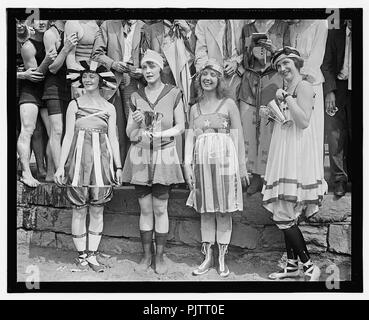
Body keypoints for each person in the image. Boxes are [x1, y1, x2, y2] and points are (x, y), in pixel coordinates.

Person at [261, 47, 324, 281]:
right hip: (284, 150)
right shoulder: (286, 89)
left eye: (286, 63)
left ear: (297, 63)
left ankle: (308, 266)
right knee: (286, 211)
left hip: (296, 154)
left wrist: (287, 98)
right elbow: (286, 120)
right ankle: (291, 266)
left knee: (284, 213)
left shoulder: (304, 87)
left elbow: (304, 121)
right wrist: (270, 112)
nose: (282, 68)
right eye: (278, 65)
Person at [54, 61, 122, 272]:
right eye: (85, 76)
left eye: (92, 75)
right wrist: (60, 166)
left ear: (101, 79)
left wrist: (118, 167)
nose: (88, 79)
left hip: (101, 162)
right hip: (78, 161)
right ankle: (82, 255)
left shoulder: (109, 107)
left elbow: (113, 138)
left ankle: (92, 253)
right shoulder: (74, 104)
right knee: (79, 208)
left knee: (98, 208)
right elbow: (67, 137)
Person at [122, 50, 185, 274]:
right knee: (145, 208)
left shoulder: (174, 93)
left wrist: (160, 134)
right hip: (140, 156)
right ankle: (146, 255)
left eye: (152, 66)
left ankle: (160, 256)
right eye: (145, 67)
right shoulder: (135, 97)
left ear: (160, 68)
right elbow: (130, 133)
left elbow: (181, 126)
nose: (148, 71)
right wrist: (137, 124)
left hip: (164, 154)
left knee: (161, 208)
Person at [184, 59, 248, 277]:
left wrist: (241, 167)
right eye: (204, 74)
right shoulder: (194, 109)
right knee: (205, 211)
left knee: (222, 211)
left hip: (225, 166)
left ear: (219, 79)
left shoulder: (228, 104)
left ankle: (222, 258)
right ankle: (207, 256)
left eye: (212, 75)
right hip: (202, 166)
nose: (207, 78)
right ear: (199, 79)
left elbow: (237, 137)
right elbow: (190, 139)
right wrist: (187, 166)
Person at [238, 20, 290, 195]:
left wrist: (274, 50)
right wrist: (251, 50)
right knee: (249, 131)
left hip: (272, 81)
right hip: (250, 82)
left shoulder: (283, 27)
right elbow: (244, 60)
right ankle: (253, 175)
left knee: (269, 130)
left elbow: (288, 60)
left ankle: (268, 175)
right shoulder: (247, 29)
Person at [92, 19, 146, 166]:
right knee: (115, 128)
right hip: (112, 81)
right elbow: (96, 54)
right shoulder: (107, 25)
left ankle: (134, 170)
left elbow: (150, 57)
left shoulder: (144, 27)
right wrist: (113, 64)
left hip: (135, 82)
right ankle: (117, 168)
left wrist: (142, 71)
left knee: (135, 126)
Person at [288, 20, 328, 195]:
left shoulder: (321, 23)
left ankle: (316, 178)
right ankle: (298, 177)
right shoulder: (292, 26)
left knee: (313, 131)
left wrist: (302, 80)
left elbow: (317, 56)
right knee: (296, 132)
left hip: (311, 83)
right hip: (293, 83)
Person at [17, 19, 57, 187]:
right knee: (28, 129)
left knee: (52, 131)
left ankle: (50, 170)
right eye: (36, 20)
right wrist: (49, 59)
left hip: (48, 90)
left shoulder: (54, 37)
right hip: (31, 90)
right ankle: (26, 172)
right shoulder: (28, 45)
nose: (41, 23)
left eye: (44, 19)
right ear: (30, 23)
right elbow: (37, 75)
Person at [42, 20, 78, 180]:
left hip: (70, 85)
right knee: (56, 130)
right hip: (53, 87)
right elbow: (53, 67)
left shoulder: (74, 26)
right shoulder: (50, 34)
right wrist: (65, 48)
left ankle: (58, 171)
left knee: (67, 131)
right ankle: (59, 172)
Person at [321, 20, 352, 197]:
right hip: (338, 86)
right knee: (335, 133)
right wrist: (330, 91)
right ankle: (339, 179)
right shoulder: (335, 32)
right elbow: (326, 65)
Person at [195, 20, 246, 101]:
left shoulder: (244, 21)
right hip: (214, 78)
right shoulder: (203, 22)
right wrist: (210, 74)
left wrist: (236, 62)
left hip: (239, 76)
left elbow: (250, 49)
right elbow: (201, 55)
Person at [65, 20, 99, 98]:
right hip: (80, 77)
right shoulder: (73, 23)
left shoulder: (97, 23)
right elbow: (70, 57)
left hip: (95, 76)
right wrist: (77, 83)